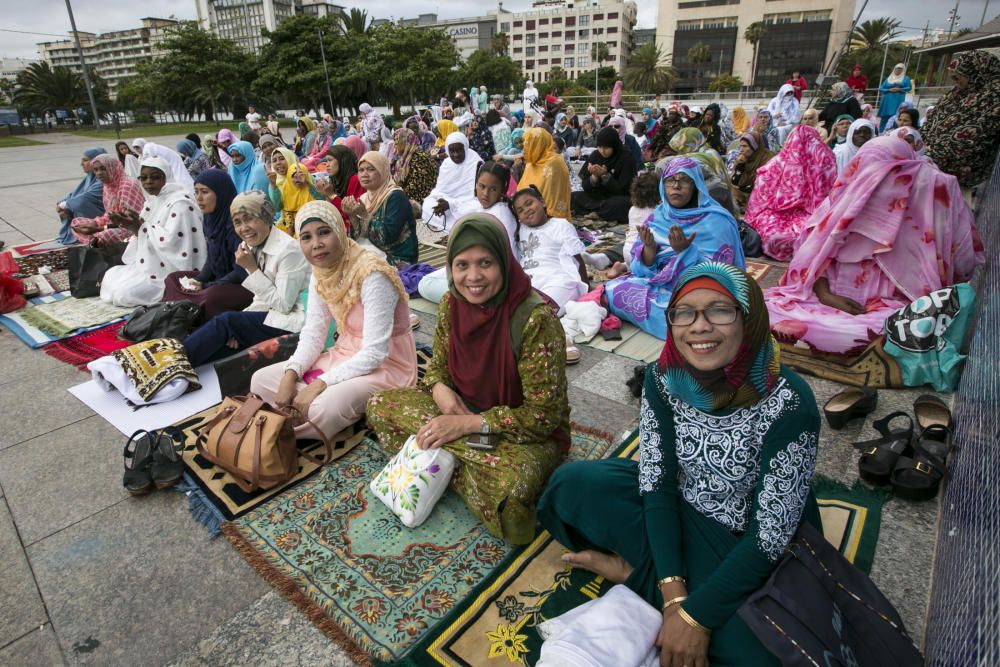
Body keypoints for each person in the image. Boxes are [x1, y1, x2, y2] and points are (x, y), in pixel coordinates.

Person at [537, 261, 822, 667]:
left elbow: (768, 538)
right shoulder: (663, 377)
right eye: (684, 313)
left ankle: (634, 575)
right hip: (676, 512)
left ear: (748, 318)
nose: (699, 327)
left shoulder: (789, 401)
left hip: (744, 538)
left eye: (720, 310)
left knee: (765, 651)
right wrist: (675, 598)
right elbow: (657, 483)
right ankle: (654, 579)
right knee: (569, 487)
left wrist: (697, 617)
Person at [367, 213, 570, 545]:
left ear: (505, 262)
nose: (473, 277)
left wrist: (465, 425)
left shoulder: (535, 319)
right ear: (450, 268)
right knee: (379, 404)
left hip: (519, 435)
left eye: (485, 263)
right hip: (459, 409)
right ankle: (463, 470)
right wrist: (442, 393)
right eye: (462, 265)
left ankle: (442, 463)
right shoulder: (451, 303)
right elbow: (436, 369)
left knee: (515, 493)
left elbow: (542, 418)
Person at [766, 136, 984, 355]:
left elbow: (962, 261)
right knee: (759, 310)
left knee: (886, 334)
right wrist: (826, 295)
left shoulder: (932, 195)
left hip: (897, 311)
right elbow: (809, 258)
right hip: (825, 300)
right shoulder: (848, 198)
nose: (870, 181)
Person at [250, 200, 416, 441]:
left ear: (340, 229)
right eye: (305, 237)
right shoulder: (321, 271)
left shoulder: (373, 273)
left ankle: (279, 432)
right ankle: (294, 420)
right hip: (343, 355)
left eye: (324, 232)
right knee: (260, 381)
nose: (316, 244)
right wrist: (291, 373)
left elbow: (375, 353)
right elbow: (314, 334)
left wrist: (319, 385)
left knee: (325, 408)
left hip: (388, 365)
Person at [605, 158, 745, 340]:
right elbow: (641, 272)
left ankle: (689, 327)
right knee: (615, 289)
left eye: (684, 180)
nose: (676, 186)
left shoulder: (717, 221)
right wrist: (649, 249)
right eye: (670, 180)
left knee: (701, 316)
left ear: (696, 185)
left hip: (701, 293)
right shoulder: (658, 216)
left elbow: (721, 275)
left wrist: (685, 253)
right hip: (663, 288)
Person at [182, 191, 309, 367]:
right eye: (237, 222)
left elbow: (284, 305)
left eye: (249, 218)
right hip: (270, 313)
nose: (243, 228)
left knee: (225, 322)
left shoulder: (288, 250)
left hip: (293, 319)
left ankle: (175, 363)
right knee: (224, 344)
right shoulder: (250, 245)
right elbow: (260, 297)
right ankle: (180, 368)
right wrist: (242, 323)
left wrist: (251, 268)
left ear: (266, 216)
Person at [100, 156, 206, 307]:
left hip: (171, 270)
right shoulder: (154, 201)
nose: (148, 182)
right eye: (143, 178)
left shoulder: (181, 203)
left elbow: (176, 245)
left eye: (155, 177)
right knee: (110, 278)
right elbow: (146, 234)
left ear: (167, 177)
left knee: (123, 295)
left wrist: (139, 228)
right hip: (151, 263)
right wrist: (134, 228)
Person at [417, 162, 521, 304]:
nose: (485, 194)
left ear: (503, 189)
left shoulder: (501, 213)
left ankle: (477, 303)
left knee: (426, 284)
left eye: (493, 189)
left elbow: (496, 258)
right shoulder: (484, 207)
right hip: (475, 267)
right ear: (475, 185)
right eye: (482, 186)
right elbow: (461, 206)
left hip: (491, 276)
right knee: (427, 279)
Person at [162, 170, 253, 320]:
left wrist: (206, 286)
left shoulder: (236, 224)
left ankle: (197, 317)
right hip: (220, 280)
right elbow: (212, 258)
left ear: (221, 193)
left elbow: (242, 271)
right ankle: (176, 314)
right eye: (196, 192)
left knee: (211, 296)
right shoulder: (210, 219)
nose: (198, 198)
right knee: (173, 278)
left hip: (244, 285)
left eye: (205, 192)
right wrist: (199, 280)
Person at [744, 125, 836, 261]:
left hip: (812, 213)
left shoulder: (822, 161)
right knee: (779, 235)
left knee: (782, 235)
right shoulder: (779, 163)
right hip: (781, 213)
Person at [923, 50, 1000, 189]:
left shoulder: (993, 99)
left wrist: (931, 153)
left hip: (959, 176)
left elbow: (974, 138)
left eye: (959, 78)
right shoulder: (957, 94)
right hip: (929, 161)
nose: (956, 83)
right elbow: (932, 119)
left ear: (976, 75)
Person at [512, 186, 588, 315]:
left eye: (529, 203)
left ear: (542, 202)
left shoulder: (560, 225)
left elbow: (577, 259)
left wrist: (586, 289)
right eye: (520, 210)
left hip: (558, 281)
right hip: (529, 284)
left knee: (542, 314)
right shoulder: (521, 229)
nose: (526, 210)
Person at [342, 151, 418, 266]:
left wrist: (365, 215)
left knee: (357, 264)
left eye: (371, 169)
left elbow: (387, 238)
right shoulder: (364, 197)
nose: (364, 174)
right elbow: (357, 238)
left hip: (397, 257)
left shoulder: (396, 196)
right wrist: (352, 216)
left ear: (382, 171)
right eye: (361, 170)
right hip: (374, 250)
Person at [69, 154, 144, 247]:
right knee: (76, 223)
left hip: (132, 228)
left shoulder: (127, 185)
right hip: (113, 224)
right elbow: (109, 214)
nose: (99, 173)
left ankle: (96, 240)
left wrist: (99, 228)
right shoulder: (107, 186)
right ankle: (95, 241)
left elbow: (129, 221)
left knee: (106, 235)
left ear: (113, 168)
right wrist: (95, 223)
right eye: (96, 170)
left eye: (103, 169)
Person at [571, 126, 637, 225]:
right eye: (600, 147)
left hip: (616, 198)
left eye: (606, 147)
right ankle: (598, 212)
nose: (602, 151)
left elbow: (624, 189)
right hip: (597, 197)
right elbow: (585, 187)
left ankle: (593, 211)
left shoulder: (625, 157)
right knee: (573, 197)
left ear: (614, 145)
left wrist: (605, 175)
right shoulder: (595, 155)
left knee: (623, 205)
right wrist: (594, 177)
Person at [422, 132, 483, 233]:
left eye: (459, 150)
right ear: (447, 151)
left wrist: (451, 204)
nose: (456, 155)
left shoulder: (476, 162)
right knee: (428, 204)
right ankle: (459, 226)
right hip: (449, 203)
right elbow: (439, 190)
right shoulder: (446, 164)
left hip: (468, 204)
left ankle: (457, 226)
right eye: (452, 151)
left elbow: (477, 197)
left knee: (477, 209)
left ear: (465, 148)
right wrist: (441, 202)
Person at [518, 128, 572, 220]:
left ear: (539, 145)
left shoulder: (555, 162)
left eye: (529, 144)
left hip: (551, 216)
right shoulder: (531, 163)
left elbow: (552, 194)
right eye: (526, 144)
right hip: (528, 213)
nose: (525, 148)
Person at [267, 147, 323, 235]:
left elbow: (321, 199)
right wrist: (274, 186)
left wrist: (307, 183)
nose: (278, 163)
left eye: (282, 158)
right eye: (274, 160)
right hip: (288, 221)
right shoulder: (274, 181)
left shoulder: (305, 175)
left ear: (289, 158)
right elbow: (278, 207)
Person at [56, 148, 106, 245]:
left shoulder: (103, 180)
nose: (81, 164)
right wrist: (62, 205)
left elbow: (85, 199)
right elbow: (74, 194)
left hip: (101, 219)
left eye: (85, 160)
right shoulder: (88, 179)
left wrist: (64, 205)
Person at [314, 144, 364, 224]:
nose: (327, 165)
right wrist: (325, 194)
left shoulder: (355, 180)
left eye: (330, 160)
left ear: (342, 161)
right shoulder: (335, 179)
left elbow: (349, 215)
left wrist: (332, 195)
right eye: (326, 161)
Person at [730, 131, 774, 211]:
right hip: (747, 194)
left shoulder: (768, 159)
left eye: (745, 146)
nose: (741, 150)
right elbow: (734, 181)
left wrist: (738, 188)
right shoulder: (745, 158)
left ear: (754, 147)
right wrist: (740, 165)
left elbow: (761, 186)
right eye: (740, 146)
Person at [877, 64, 912, 132]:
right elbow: (881, 88)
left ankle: (894, 132)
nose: (898, 70)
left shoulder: (906, 78)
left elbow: (909, 87)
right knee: (884, 117)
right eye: (896, 68)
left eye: (900, 68)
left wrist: (900, 89)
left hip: (898, 99)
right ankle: (881, 132)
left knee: (896, 115)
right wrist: (888, 90)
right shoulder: (889, 78)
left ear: (903, 70)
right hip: (887, 100)